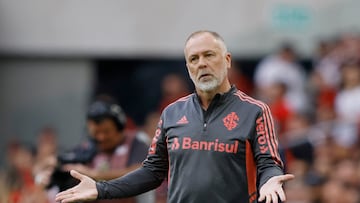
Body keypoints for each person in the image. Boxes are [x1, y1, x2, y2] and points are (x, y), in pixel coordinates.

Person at [55, 30, 294, 203]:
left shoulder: (255, 111)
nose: (202, 64)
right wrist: (100, 188)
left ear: (227, 60)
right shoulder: (172, 113)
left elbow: (269, 163)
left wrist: (271, 179)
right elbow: (152, 172)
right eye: (194, 59)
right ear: (188, 67)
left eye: (209, 55)